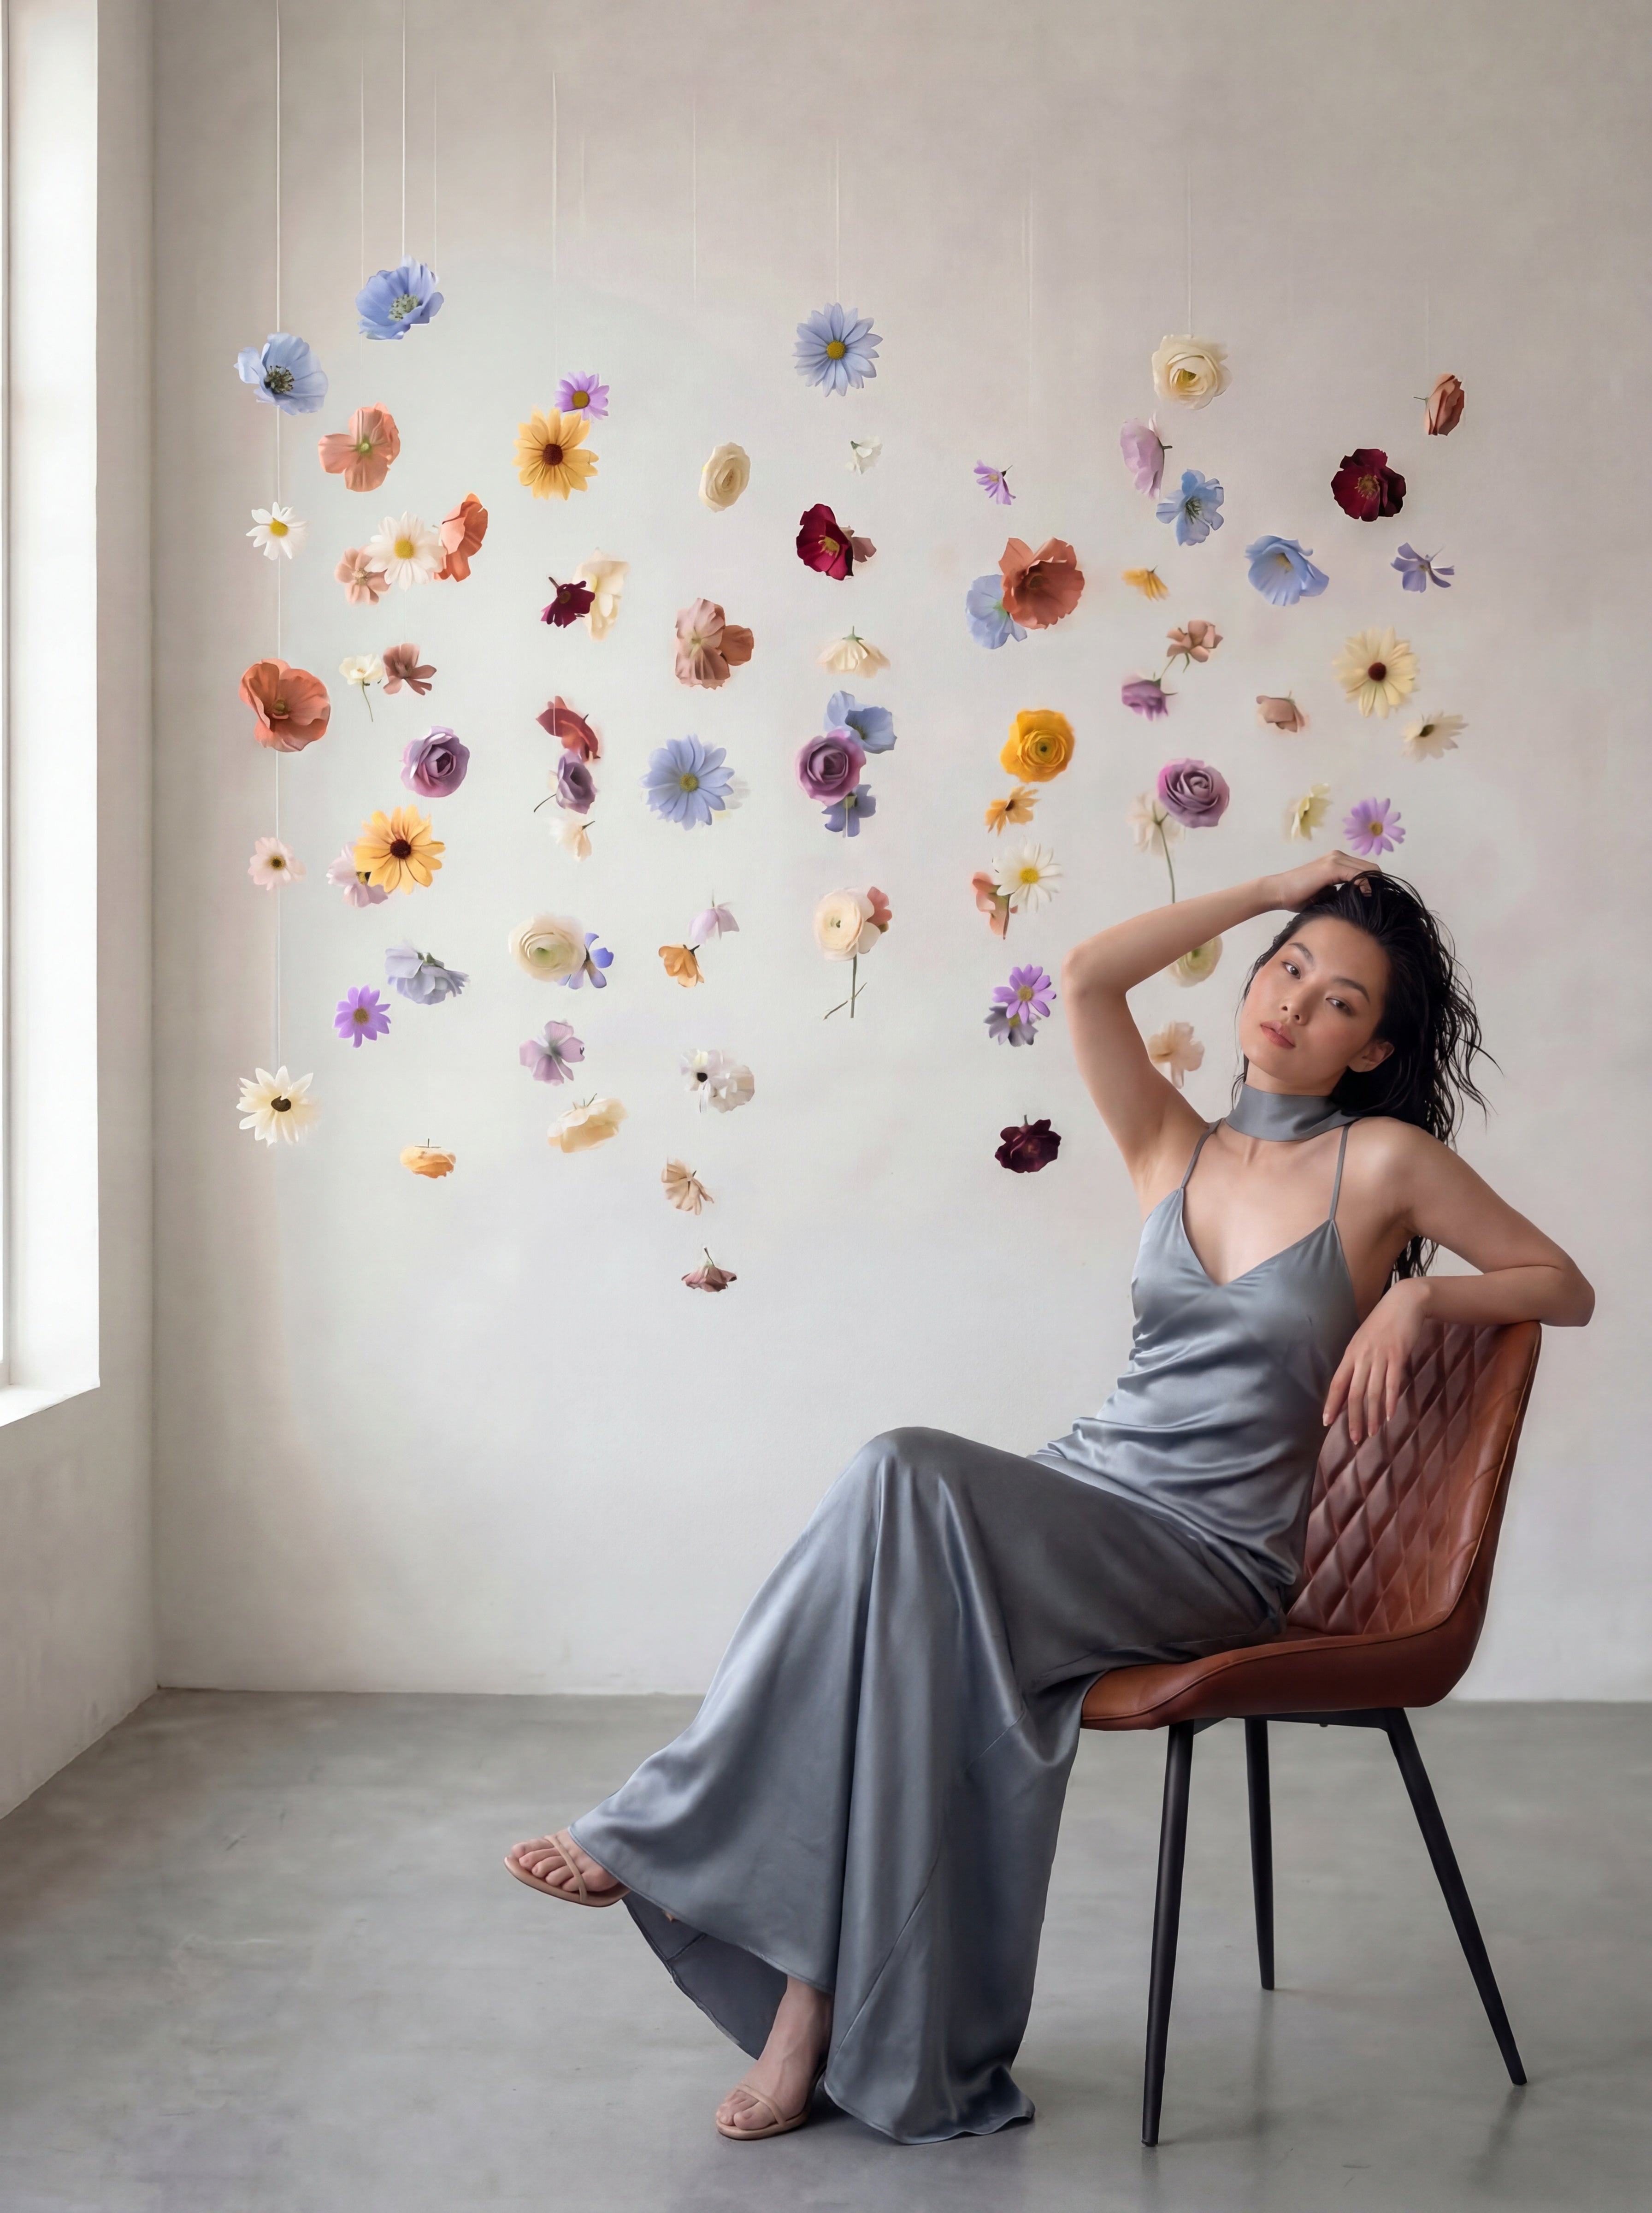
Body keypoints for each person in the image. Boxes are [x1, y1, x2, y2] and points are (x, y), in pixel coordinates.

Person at [504, 854, 1593, 2145]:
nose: (1297, 1003)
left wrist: (1422, 1292)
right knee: (895, 1627)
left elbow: (1560, 1283)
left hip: (1212, 1556)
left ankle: (659, 1820)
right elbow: (1086, 979)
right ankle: (806, 2019)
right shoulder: (1172, 1144)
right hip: (1089, 1494)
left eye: (1342, 1000)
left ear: (1373, 1050)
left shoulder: (1387, 1165)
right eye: (1288, 968)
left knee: (896, 1471)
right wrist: (1269, 891)